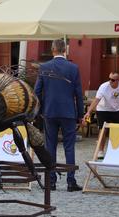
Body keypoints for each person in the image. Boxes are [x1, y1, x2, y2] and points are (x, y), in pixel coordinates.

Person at [34, 39, 84, 192]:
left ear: (53, 49)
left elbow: (36, 92)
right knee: (69, 146)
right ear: (65, 50)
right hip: (68, 112)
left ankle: (52, 181)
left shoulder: (44, 67)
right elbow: (78, 94)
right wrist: (80, 114)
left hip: (50, 111)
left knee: (50, 146)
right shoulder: (73, 68)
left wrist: (40, 110)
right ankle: (70, 181)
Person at [83, 71, 119, 184]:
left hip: (116, 110)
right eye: (109, 79)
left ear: (118, 80)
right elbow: (96, 100)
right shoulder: (104, 87)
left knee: (117, 130)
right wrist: (89, 112)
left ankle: (117, 150)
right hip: (103, 110)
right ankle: (100, 151)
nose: (110, 81)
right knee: (103, 130)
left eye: (113, 80)